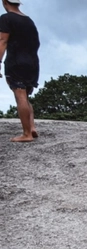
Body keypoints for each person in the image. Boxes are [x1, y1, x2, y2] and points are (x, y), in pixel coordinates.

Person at [0, 0, 40, 142]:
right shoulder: (29, 21)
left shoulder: (6, 18)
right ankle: (32, 127)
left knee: (20, 95)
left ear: (5, 2)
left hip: (16, 61)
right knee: (26, 96)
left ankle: (26, 134)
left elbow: (2, 41)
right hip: (33, 62)